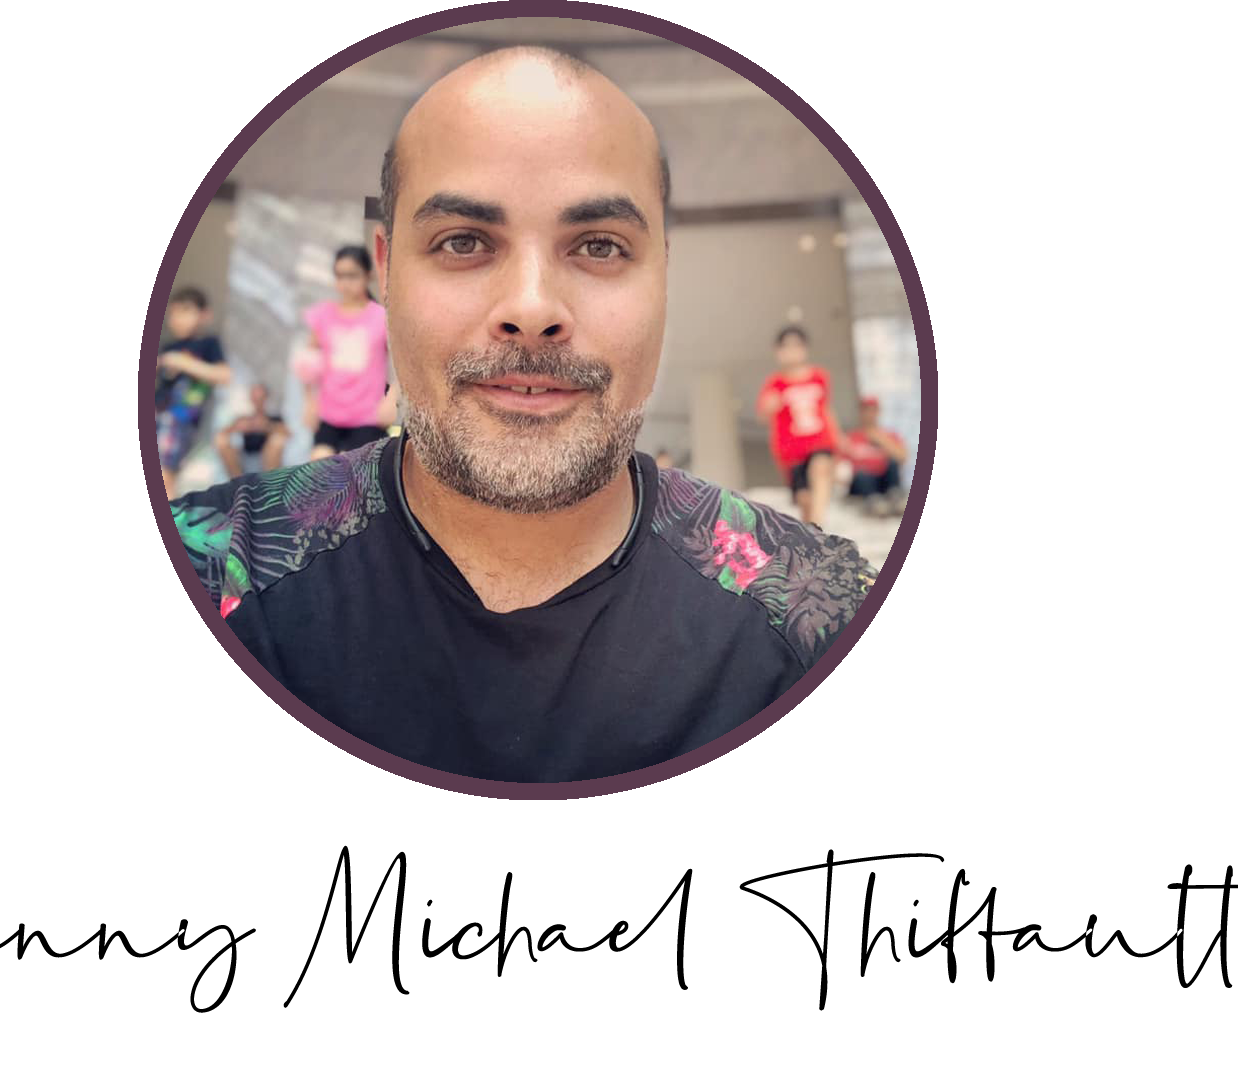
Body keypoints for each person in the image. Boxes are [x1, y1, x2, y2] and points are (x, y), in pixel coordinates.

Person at [169, 47, 877, 781]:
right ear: (386, 272)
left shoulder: (813, 609)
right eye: (463, 242)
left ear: (664, 274)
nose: (532, 309)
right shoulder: (213, 567)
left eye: (600, 246)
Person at [300, 247, 401, 460]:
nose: (345, 283)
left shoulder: (380, 317)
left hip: (367, 417)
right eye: (339, 276)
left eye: (352, 275)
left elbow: (403, 360)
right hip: (329, 413)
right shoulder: (323, 314)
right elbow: (308, 363)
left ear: (368, 275)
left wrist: (392, 398)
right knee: (319, 465)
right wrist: (309, 402)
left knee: (354, 471)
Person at [755, 326, 844, 528]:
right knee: (805, 499)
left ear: (805, 349)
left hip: (820, 441)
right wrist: (770, 406)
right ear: (778, 352)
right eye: (786, 347)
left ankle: (819, 528)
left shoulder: (819, 377)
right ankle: (810, 533)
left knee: (820, 469)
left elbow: (826, 409)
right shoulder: (775, 383)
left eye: (796, 346)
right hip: (792, 452)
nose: (792, 352)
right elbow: (762, 415)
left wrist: (839, 439)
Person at [156, 287, 232, 499]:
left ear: (205, 314)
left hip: (180, 419)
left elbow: (224, 375)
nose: (177, 319)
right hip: (159, 413)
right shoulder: (169, 346)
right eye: (173, 313)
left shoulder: (208, 344)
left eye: (185, 311)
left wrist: (182, 362)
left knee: (165, 476)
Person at [840, 396, 908, 517]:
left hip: (884, 481)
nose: (869, 414)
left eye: (873, 410)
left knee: (892, 464)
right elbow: (840, 465)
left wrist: (881, 440)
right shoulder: (851, 437)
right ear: (860, 412)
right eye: (866, 410)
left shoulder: (889, 435)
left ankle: (895, 497)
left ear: (878, 412)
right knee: (862, 475)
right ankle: (874, 502)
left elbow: (902, 458)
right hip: (862, 484)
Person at [215, 382, 289, 478]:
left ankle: (269, 482)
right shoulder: (244, 418)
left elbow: (287, 432)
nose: (257, 401)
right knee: (221, 440)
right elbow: (223, 432)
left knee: (277, 441)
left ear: (266, 398)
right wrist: (237, 427)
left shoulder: (273, 417)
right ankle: (238, 482)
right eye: (255, 398)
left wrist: (267, 427)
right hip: (245, 455)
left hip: (268, 457)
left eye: (260, 398)